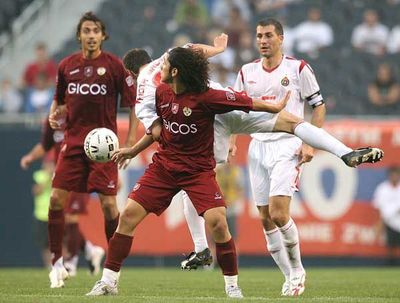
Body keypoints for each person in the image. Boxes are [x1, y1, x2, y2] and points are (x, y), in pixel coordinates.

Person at [120, 33, 383, 276]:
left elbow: (155, 130)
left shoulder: (144, 85)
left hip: (204, 122)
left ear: (132, 72)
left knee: (190, 177)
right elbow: (195, 51)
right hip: (224, 101)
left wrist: (142, 144)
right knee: (292, 123)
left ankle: (201, 247)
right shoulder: (171, 54)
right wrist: (219, 49)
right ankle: (345, 152)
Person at [86, 46, 292, 299]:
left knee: (218, 223)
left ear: (175, 71)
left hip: (197, 171)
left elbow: (244, 101)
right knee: (127, 215)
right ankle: (108, 281)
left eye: (163, 65)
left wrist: (274, 108)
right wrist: (132, 151)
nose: (158, 68)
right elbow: (156, 132)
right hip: (165, 167)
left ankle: (232, 287)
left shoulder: (206, 96)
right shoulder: (161, 92)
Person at [231, 18, 326, 296]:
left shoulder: (297, 68)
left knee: (278, 212)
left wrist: (310, 141)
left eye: (269, 35)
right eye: (259, 35)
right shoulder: (247, 71)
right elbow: (236, 109)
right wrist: (233, 140)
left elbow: (318, 107)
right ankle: (288, 276)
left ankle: (297, 270)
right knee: (265, 218)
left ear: (281, 38)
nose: (263, 40)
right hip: (257, 146)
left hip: (288, 144)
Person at [46, 11, 137, 288]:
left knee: (110, 207)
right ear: (79, 35)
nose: (91, 35)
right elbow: (59, 99)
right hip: (73, 144)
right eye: (86, 30)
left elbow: (132, 105)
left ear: (103, 35)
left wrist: (130, 142)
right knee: (55, 202)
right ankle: (57, 264)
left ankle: (112, 270)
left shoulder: (114, 66)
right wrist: (53, 113)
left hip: (104, 148)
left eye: (95, 31)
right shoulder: (66, 66)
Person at [20, 118, 105, 277]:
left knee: (70, 217)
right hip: (65, 175)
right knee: (66, 219)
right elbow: (45, 146)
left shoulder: (83, 114)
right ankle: (90, 250)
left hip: (81, 173)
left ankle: (71, 263)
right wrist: (30, 157)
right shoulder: (53, 120)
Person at [373, 167, 400, 266]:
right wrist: (379, 222)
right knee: (390, 245)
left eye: (396, 174)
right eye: (392, 175)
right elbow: (378, 206)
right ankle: (390, 264)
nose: (394, 177)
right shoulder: (382, 188)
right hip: (388, 221)